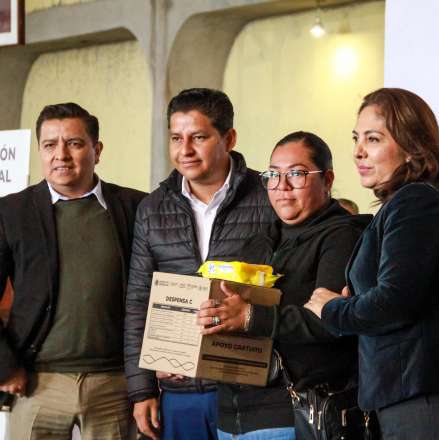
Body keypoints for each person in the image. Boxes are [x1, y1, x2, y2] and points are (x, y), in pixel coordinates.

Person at [305, 87, 439, 440]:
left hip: (422, 403)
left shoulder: (416, 202)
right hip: (408, 400)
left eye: (373, 139)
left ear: (412, 146)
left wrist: (333, 309)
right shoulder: (409, 202)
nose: (358, 151)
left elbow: (394, 301)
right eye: (356, 138)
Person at [196, 131, 370, 440]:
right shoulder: (259, 242)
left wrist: (250, 316)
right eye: (273, 175)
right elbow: (235, 317)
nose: (282, 186)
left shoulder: (343, 237)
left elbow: (332, 320)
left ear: (327, 180)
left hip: (296, 413)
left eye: (297, 174)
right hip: (233, 418)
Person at [124, 88, 276, 440]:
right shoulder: (152, 208)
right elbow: (138, 300)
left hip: (252, 388)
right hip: (181, 391)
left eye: (199, 137)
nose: (185, 150)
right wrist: (141, 388)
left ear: (229, 139)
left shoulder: (269, 197)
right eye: (176, 138)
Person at [0, 102, 145, 439]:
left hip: (116, 384)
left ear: (97, 150)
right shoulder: (11, 212)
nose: (61, 155)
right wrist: (4, 365)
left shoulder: (136, 208)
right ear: (40, 150)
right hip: (36, 384)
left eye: (74, 143)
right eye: (50, 145)